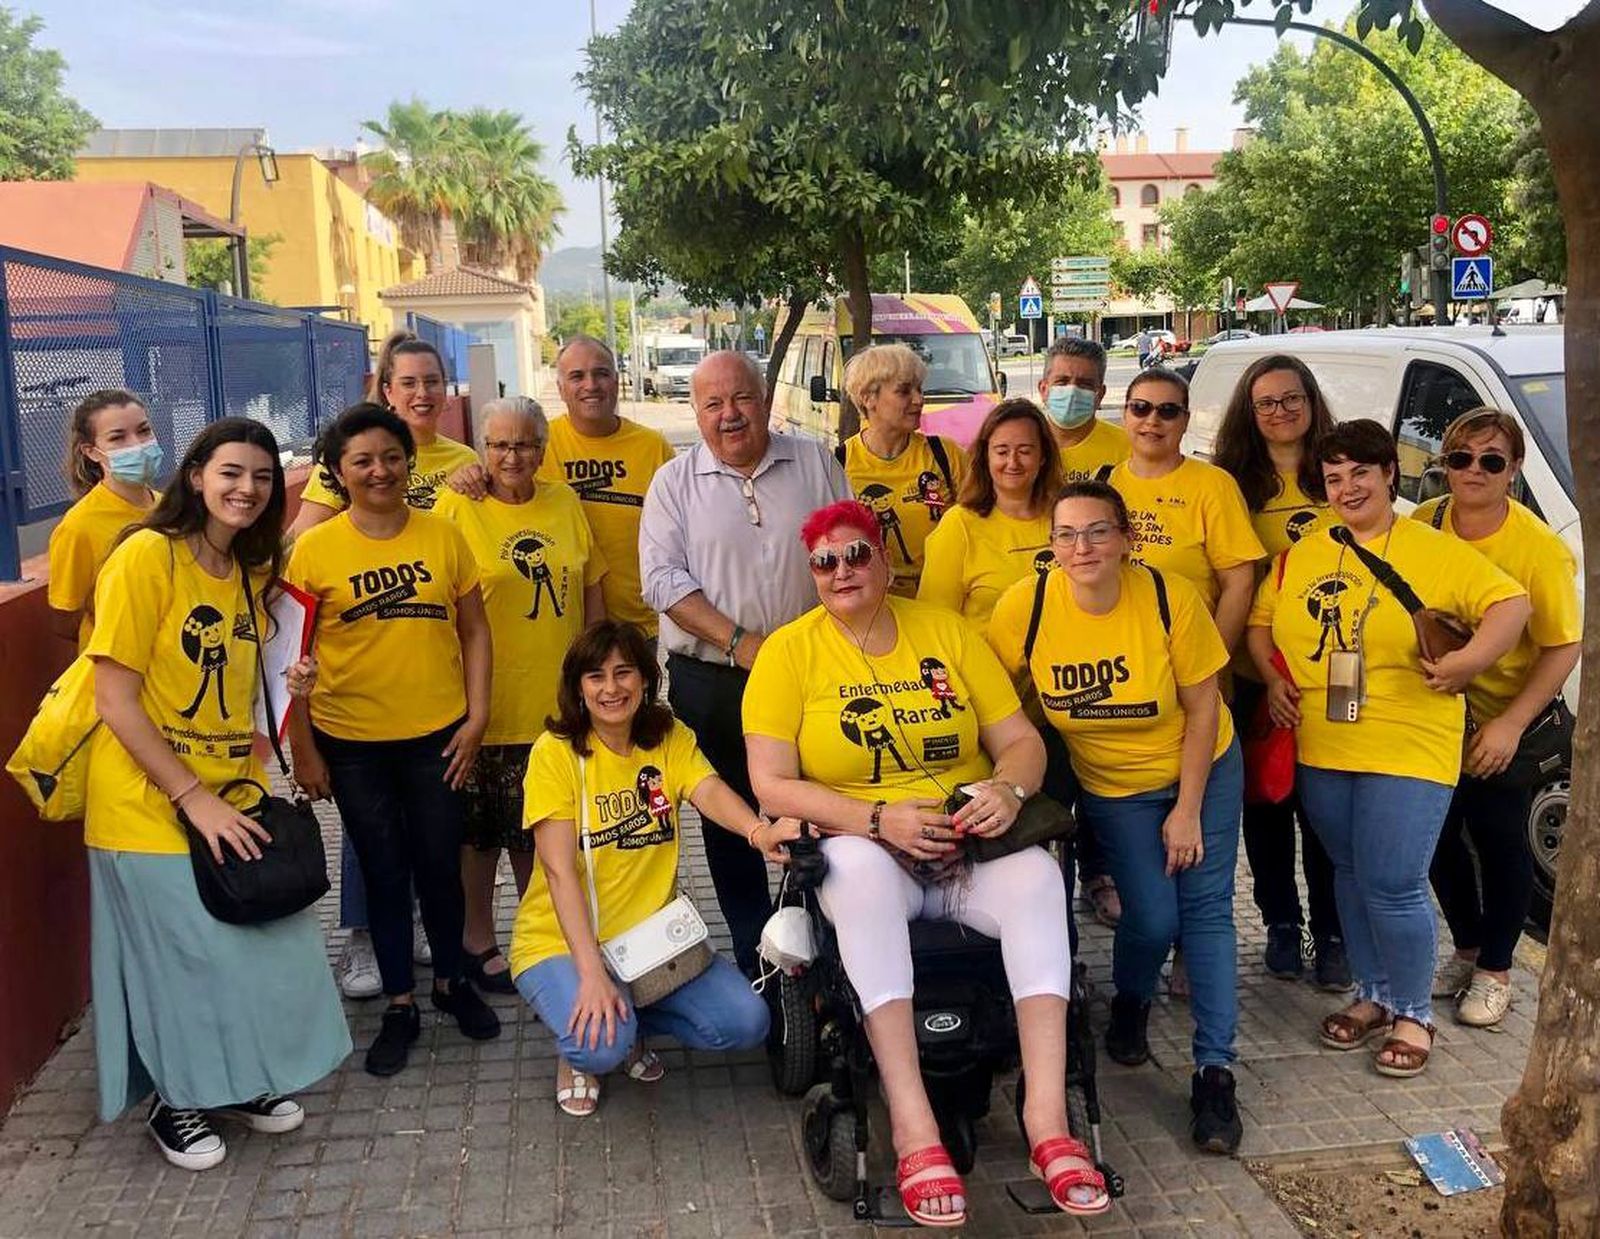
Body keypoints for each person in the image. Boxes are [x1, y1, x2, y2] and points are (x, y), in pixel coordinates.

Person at [746, 500, 1108, 1226]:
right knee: (857, 873)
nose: (842, 570)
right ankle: (913, 1123)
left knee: (1038, 875)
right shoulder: (790, 652)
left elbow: (1021, 741)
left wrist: (1007, 790)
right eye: (825, 560)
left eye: (856, 555)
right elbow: (772, 782)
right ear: (811, 573)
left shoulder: (945, 630)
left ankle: (1046, 1117)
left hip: (966, 837)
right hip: (866, 842)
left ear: (883, 560)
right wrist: (879, 819)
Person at [83, 417, 347, 1171]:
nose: (248, 488)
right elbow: (116, 698)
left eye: (262, 477)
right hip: (145, 804)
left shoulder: (244, 570)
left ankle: (238, 1076)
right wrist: (191, 795)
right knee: (189, 958)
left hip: (230, 787)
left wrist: (289, 679)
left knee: (256, 942)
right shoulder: (144, 556)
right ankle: (178, 1099)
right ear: (195, 474)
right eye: (231, 472)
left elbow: (236, 685)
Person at [1248, 419, 1529, 1078]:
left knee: (1395, 882)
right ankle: (1372, 995)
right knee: (1349, 870)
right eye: (1336, 477)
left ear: (1388, 476)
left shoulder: (1432, 549)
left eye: (1361, 474)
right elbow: (1262, 623)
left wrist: (1467, 665)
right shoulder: (1305, 553)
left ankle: (1411, 1010)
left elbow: (1510, 606)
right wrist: (1273, 677)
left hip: (1410, 740)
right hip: (1326, 738)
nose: (1348, 488)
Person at [989, 480, 1247, 1154]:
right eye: (1068, 534)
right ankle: (1131, 998)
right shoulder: (1029, 605)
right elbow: (991, 698)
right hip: (1113, 785)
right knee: (1152, 916)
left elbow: (1204, 707)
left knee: (1207, 911)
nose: (1083, 547)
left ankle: (1214, 1071)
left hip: (1204, 768)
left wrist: (1188, 809)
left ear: (1127, 539)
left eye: (1099, 531)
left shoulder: (1167, 596)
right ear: (1050, 547)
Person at [286, 403, 500, 1077]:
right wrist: (306, 749)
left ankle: (450, 984)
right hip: (352, 741)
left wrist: (477, 716)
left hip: (438, 735)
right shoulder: (316, 549)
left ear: (409, 461)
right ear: (338, 472)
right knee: (384, 870)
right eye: (362, 460)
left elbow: (474, 630)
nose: (379, 470)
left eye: (390, 456)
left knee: (440, 864)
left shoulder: (442, 534)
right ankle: (401, 1002)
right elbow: (290, 659)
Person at [509, 621, 795, 1116]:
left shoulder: (667, 736)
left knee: (747, 1021)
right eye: (596, 676)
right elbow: (557, 871)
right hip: (558, 940)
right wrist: (591, 973)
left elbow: (706, 788)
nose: (611, 687)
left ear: (645, 679)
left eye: (624, 672)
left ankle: (627, 1020)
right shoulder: (555, 754)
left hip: (649, 941)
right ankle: (584, 1045)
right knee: (600, 1047)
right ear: (578, 686)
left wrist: (757, 831)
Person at [639, 350, 851, 974]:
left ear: (766, 400)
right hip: (714, 679)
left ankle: (826, 947)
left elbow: (849, 549)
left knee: (820, 805)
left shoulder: (815, 462)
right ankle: (756, 955)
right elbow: (661, 581)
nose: (729, 415)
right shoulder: (673, 483)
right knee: (733, 821)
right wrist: (744, 644)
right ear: (697, 412)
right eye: (713, 404)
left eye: (741, 398)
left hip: (814, 675)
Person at [434, 396, 608, 994]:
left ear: (543, 448)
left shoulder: (564, 502)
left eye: (525, 444)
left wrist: (598, 677)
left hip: (556, 705)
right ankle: (477, 938)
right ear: (482, 449)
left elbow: (591, 591)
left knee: (545, 836)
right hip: (484, 705)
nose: (512, 456)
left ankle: (543, 939)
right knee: (479, 837)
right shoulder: (458, 504)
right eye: (500, 444)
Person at [1415, 409, 1580, 1028]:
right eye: (1461, 458)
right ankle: (1466, 948)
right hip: (1434, 716)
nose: (1474, 471)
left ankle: (1497, 970)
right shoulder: (1428, 523)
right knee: (1434, 838)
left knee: (1500, 839)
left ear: (1514, 470)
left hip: (1501, 716)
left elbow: (1564, 644)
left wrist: (1511, 722)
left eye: (1491, 460)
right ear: (1444, 463)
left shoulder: (1538, 548)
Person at [1212, 356, 1348, 990]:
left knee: (1328, 805)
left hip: (1339, 670)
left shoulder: (1340, 473)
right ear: (1249, 412)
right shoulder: (1232, 485)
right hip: (1255, 668)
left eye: (1292, 398)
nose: (1281, 412)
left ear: (1313, 402)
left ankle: (1334, 932)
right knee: (1265, 802)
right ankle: (1281, 924)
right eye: (1266, 402)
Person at [449, 336, 674, 639]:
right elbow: (498, 475)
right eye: (577, 376)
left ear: (617, 380)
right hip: (559, 630)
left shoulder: (653, 448)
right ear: (560, 388)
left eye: (601, 373)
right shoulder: (536, 440)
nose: (590, 385)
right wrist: (469, 475)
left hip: (636, 628)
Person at [1108, 369, 1265, 652]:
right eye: (1140, 408)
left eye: (1168, 411)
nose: (1152, 421)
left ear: (1185, 421)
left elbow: (1239, 584)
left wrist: (1210, 662)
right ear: (1125, 414)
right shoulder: (1104, 483)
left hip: (1190, 655)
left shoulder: (1213, 485)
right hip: (1119, 657)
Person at [836, 343, 969, 596]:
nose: (919, 400)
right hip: (875, 608)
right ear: (868, 398)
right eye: (904, 391)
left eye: (919, 389)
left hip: (941, 602)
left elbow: (980, 523)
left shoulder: (946, 454)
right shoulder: (840, 463)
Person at [916, 399, 1060, 631]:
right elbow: (935, 622)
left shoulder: (1068, 517)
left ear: (1043, 456)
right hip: (984, 664)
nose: (1012, 462)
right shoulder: (959, 524)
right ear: (985, 456)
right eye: (1002, 451)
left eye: (1024, 451)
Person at [48, 390, 162, 648]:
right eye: (117, 438)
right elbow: (65, 618)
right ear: (91, 452)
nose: (136, 445)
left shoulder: (170, 508)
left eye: (144, 431)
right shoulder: (78, 526)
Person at [1036, 338, 1129, 485]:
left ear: (1100, 394)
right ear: (1043, 389)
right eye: (1062, 381)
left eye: (1084, 384)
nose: (1072, 391)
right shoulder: (1021, 448)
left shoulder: (1128, 449)